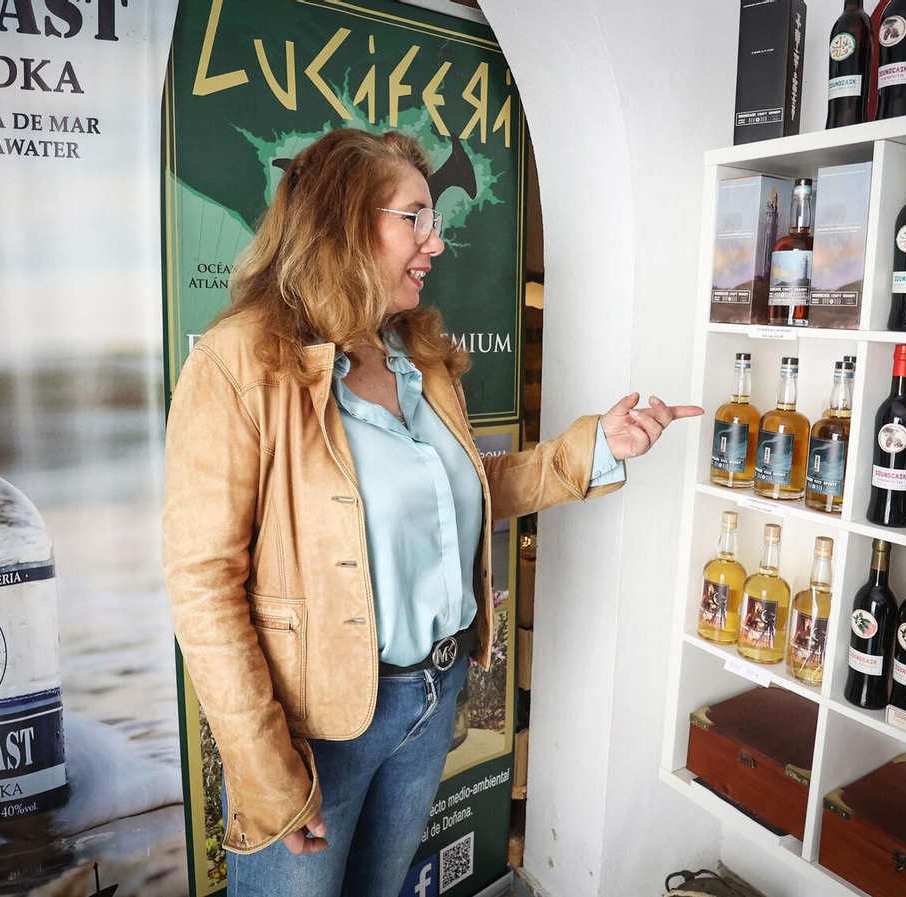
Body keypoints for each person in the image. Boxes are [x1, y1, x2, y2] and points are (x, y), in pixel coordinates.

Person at [162, 128, 701, 897]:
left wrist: (596, 447)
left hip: (432, 695)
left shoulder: (414, 351)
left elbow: (465, 493)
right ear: (346, 220)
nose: (436, 241)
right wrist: (267, 769)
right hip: (317, 731)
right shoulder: (240, 360)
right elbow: (203, 585)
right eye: (415, 216)